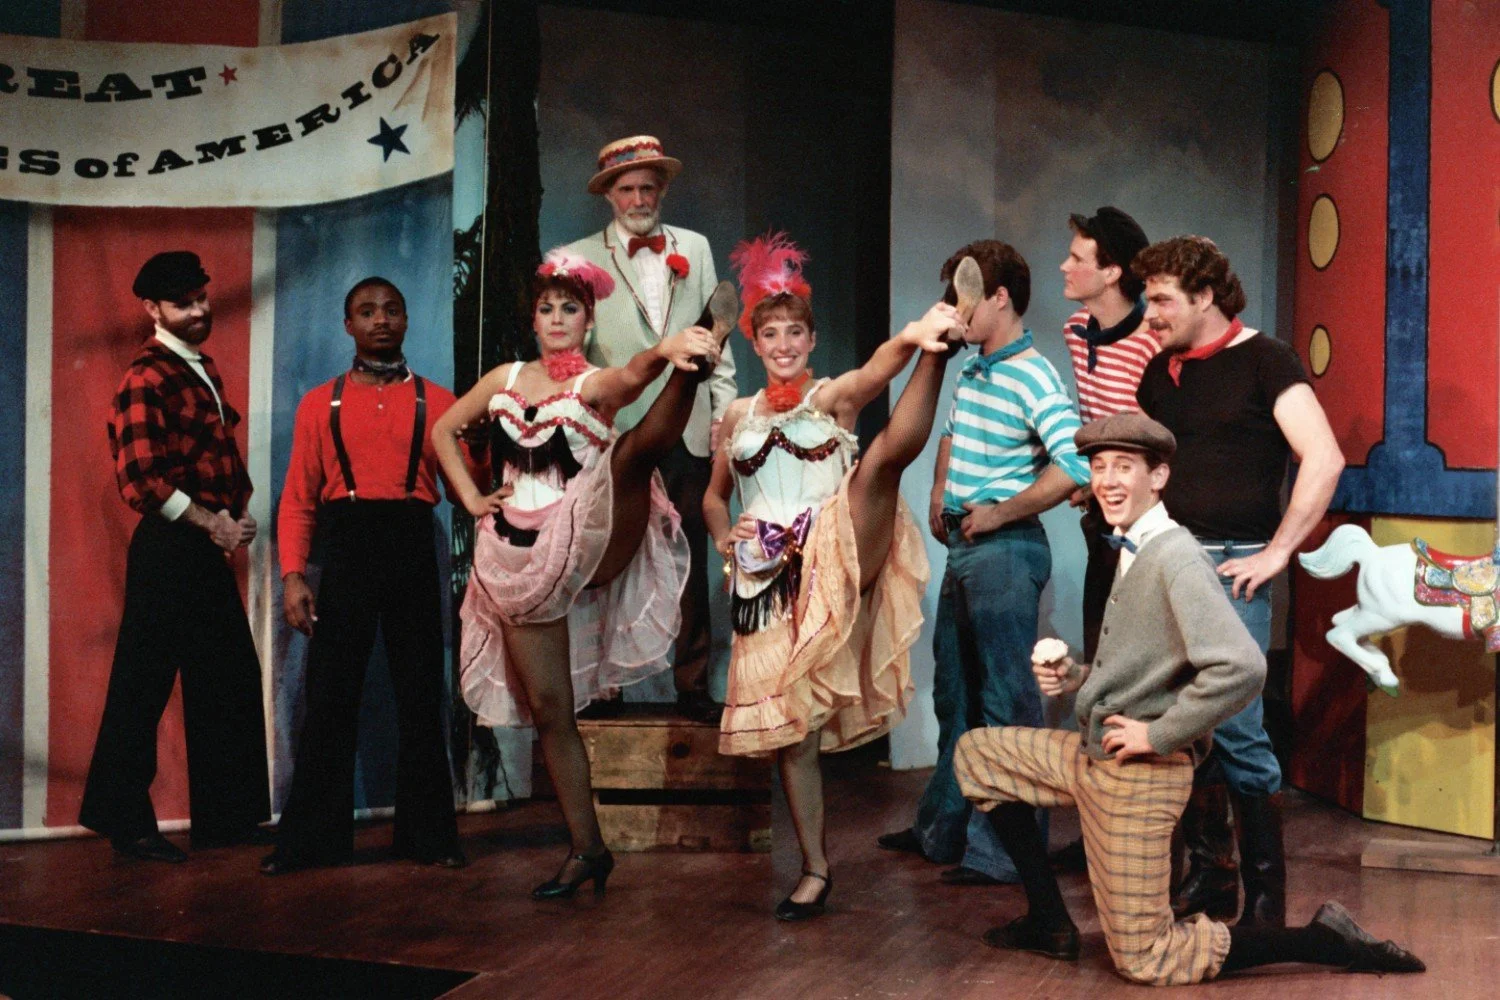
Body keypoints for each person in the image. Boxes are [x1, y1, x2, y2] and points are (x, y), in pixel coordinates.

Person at [954, 411, 1422, 984]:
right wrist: (1076, 675)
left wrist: (1158, 733)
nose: (1108, 480)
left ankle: (1323, 938)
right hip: (1094, 755)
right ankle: (1049, 922)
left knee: (1147, 959)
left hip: (1139, 776)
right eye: (1099, 467)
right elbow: (1153, 663)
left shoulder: (1175, 556)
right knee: (978, 755)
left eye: (1125, 467)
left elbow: (1242, 666)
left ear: (1159, 477)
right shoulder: (1132, 546)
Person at [433, 249, 735, 898]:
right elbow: (444, 429)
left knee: (633, 452)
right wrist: (468, 496)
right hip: (519, 557)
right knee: (551, 711)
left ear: (589, 320)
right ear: (534, 321)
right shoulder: (506, 378)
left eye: (571, 308)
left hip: (593, 532)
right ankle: (588, 850)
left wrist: (666, 353)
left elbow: (629, 377)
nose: (557, 318)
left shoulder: (590, 383)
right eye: (547, 308)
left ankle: (698, 357)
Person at [708, 232, 965, 919]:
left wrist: (912, 340)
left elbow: (875, 372)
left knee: (879, 464)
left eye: (796, 332)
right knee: (796, 737)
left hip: (837, 543)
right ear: (753, 344)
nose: (784, 343)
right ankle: (815, 869)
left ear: (811, 339)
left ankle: (940, 347)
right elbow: (712, 496)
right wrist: (724, 542)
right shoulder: (734, 416)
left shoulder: (830, 397)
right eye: (771, 334)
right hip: (765, 582)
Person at [1133, 236, 1345, 927]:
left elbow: (1323, 457)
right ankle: (1212, 874)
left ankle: (1265, 900)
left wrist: (1278, 551)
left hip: (1233, 565)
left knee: (1237, 726)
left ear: (1206, 297)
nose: (1149, 312)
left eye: (1162, 298)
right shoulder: (1161, 372)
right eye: (1146, 297)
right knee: (1178, 722)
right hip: (1168, 563)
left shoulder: (1266, 360)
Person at [877, 241, 1090, 888]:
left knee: (1007, 702)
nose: (954, 310)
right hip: (967, 551)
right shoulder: (974, 367)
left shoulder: (1033, 374)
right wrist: (940, 492)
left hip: (1004, 552)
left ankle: (1002, 857)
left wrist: (999, 513)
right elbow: (948, 436)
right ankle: (942, 830)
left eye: (966, 295)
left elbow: (1073, 464)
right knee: (956, 697)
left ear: (999, 297)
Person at [261, 277, 468, 875]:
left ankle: (429, 838)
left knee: (420, 692)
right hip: (346, 547)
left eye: (392, 310)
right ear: (347, 324)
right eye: (366, 311)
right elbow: (298, 499)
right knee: (329, 696)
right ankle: (311, 844)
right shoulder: (319, 403)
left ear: (407, 321)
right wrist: (294, 576)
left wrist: (482, 452)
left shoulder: (440, 400)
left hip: (410, 544)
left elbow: (463, 488)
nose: (380, 320)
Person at [80, 251, 271, 863]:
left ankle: (229, 820)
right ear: (152, 309)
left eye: (201, 298)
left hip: (201, 546)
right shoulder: (147, 376)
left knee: (229, 678)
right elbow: (140, 479)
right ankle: (127, 824)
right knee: (142, 686)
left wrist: (235, 510)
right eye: (183, 303)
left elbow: (217, 457)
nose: (198, 310)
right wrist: (207, 520)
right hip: (168, 548)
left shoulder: (200, 368)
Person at [565, 135, 736, 722]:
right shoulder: (577, 258)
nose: (639, 197)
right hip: (621, 433)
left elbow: (719, 340)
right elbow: (573, 352)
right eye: (627, 188)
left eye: (648, 186)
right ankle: (605, 688)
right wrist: (584, 424)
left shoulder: (696, 247)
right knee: (610, 557)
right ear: (608, 195)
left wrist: (723, 418)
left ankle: (692, 685)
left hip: (687, 430)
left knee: (689, 552)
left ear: (661, 190)